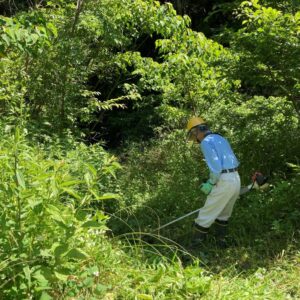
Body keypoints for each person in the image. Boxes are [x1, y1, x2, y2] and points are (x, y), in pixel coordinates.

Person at [186, 117, 241, 246]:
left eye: (194, 136)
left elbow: (216, 167)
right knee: (224, 213)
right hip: (235, 177)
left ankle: (195, 246)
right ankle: (221, 242)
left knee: (205, 214)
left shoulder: (206, 142)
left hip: (224, 180)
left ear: (196, 131)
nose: (196, 140)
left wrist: (210, 183)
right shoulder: (220, 138)